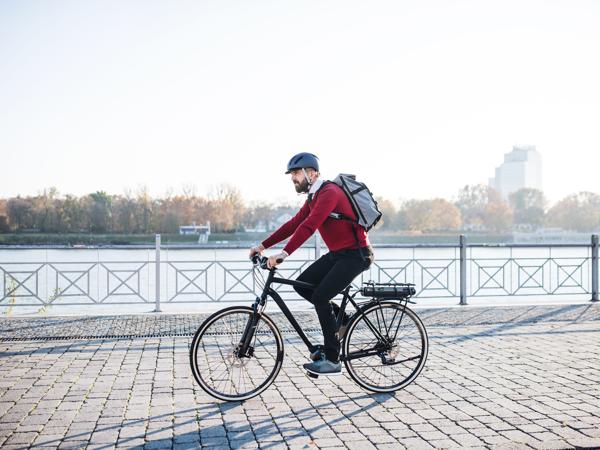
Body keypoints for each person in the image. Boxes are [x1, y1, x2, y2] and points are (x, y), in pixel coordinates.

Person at [249, 152, 374, 375]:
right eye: (292, 174)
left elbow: (310, 226)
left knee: (320, 297)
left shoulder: (329, 193)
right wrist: (262, 246)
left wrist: (283, 254)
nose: (293, 178)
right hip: (338, 254)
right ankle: (341, 318)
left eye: (296, 173)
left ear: (312, 173)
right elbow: (295, 224)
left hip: (356, 255)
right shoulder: (313, 197)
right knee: (301, 284)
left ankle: (333, 359)